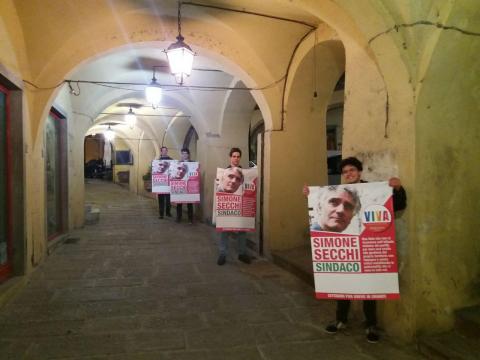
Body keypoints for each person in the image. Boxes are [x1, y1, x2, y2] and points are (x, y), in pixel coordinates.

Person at [303, 156, 407, 343]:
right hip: (345, 245)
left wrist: (398, 189)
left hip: (366, 245)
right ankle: (341, 320)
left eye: (352, 170)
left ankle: (370, 325)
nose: (348, 174)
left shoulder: (375, 191)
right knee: (344, 284)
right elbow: (321, 210)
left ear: (359, 172)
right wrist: (310, 195)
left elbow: (398, 205)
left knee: (369, 288)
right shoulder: (339, 191)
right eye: (345, 172)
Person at [216, 147, 251, 266]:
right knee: (224, 230)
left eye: (238, 156)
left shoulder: (245, 173)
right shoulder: (224, 172)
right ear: (230, 157)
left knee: (242, 229)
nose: (236, 158)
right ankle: (222, 253)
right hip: (227, 206)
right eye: (234, 156)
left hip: (240, 205)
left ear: (240, 158)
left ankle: (242, 253)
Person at [175, 148, 194, 224]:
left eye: (186, 153)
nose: (184, 155)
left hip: (189, 186)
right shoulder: (178, 164)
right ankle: (178, 217)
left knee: (190, 203)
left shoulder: (193, 163)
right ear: (181, 154)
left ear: (188, 154)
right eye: (183, 153)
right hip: (180, 185)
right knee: (179, 202)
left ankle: (190, 219)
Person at [157, 146, 172, 219]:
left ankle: (168, 212)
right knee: (161, 200)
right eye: (163, 151)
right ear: (161, 152)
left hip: (169, 184)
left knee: (168, 200)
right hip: (161, 184)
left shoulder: (171, 160)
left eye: (165, 150)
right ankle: (161, 214)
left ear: (167, 151)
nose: (164, 152)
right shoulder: (157, 161)